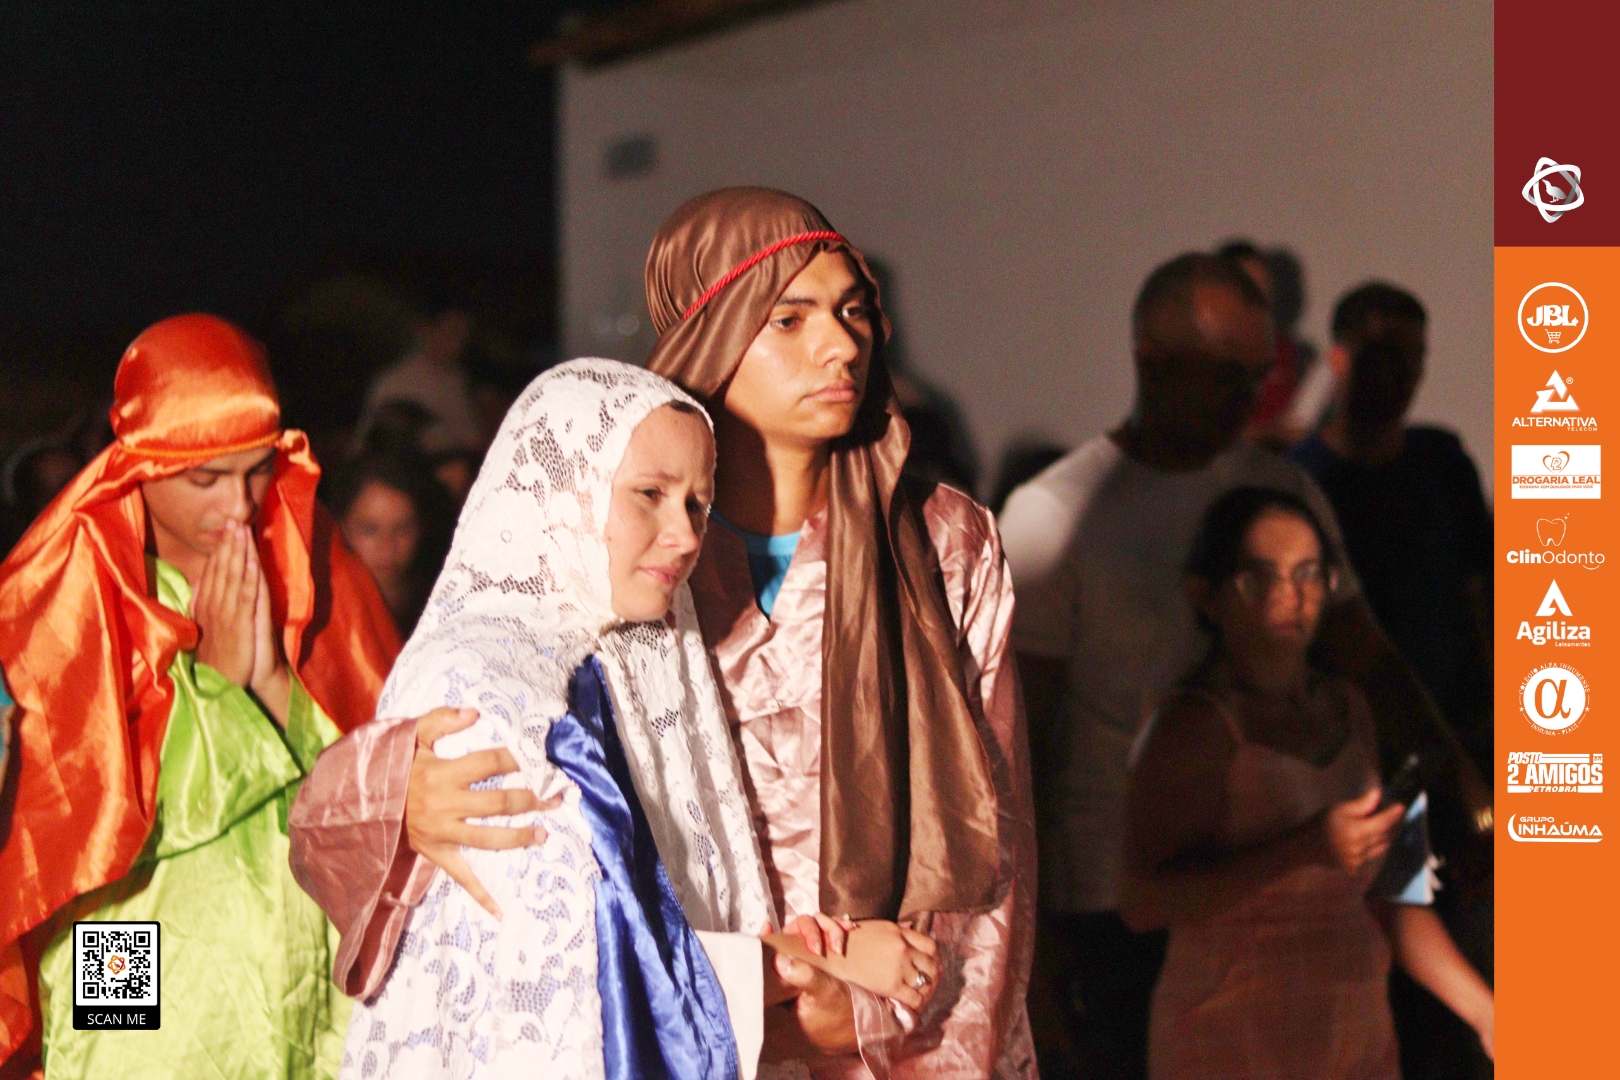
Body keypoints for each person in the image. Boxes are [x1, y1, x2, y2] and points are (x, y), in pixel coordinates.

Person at [290, 188, 1037, 1079]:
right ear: (711, 333)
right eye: (790, 318)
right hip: (682, 1029)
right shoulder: (617, 560)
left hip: (902, 1025)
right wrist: (395, 798)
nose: (843, 345)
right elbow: (531, 870)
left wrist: (884, 1017)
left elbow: (991, 839)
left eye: (852, 311)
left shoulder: (940, 544)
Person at [298, 359, 935, 1078]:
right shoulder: (488, 686)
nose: (685, 534)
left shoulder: (631, 654)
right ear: (563, 489)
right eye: (649, 495)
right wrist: (821, 963)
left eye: (698, 504)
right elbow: (589, 974)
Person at [997, 252, 1490, 1080]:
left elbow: (1368, 658)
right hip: (1118, 908)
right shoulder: (1056, 515)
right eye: (1226, 375)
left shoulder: (1276, 491)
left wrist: (1459, 784)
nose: (1247, 398)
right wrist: (1030, 942)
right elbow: (1017, 739)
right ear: (1152, 359)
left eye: (1259, 376)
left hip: (1302, 925)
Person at [0, 314, 401, 1078]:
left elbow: (380, 771)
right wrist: (218, 687)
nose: (239, 506)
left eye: (257, 470)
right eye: (205, 479)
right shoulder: (66, 588)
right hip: (123, 943)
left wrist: (270, 685)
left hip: (299, 937)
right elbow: (84, 834)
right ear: (139, 468)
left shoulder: (313, 560)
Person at [1122, 486, 1494, 1078]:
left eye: (1309, 574)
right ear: (1208, 595)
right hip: (1233, 1033)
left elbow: (1392, 893)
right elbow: (1144, 902)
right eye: (1260, 577)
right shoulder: (1193, 724)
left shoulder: (1348, 707)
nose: (1290, 597)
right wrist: (1304, 848)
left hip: (1352, 1028)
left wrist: (1486, 1013)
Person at [1291, 283, 1495, 1080]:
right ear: (1340, 359)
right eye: (1383, 354)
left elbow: (1483, 597)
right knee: (1394, 957)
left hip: (1459, 744)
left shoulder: (1440, 464)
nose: (1401, 374)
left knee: (1475, 939)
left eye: (1414, 356)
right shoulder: (1307, 480)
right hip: (1364, 760)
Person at [323, 452, 454, 636]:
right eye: (370, 530)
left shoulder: (446, 605)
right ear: (341, 527)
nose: (387, 546)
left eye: (402, 529)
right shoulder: (320, 612)